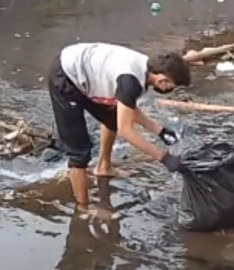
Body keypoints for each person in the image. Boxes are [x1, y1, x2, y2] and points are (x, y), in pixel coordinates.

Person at [47, 42, 195, 214]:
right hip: (65, 75)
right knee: (79, 152)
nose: (169, 90)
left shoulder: (143, 70)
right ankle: (83, 209)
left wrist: (159, 130)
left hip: (86, 69)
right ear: (162, 79)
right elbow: (126, 130)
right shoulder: (131, 80)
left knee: (112, 118)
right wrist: (164, 157)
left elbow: (126, 107)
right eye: (171, 86)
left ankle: (103, 167)